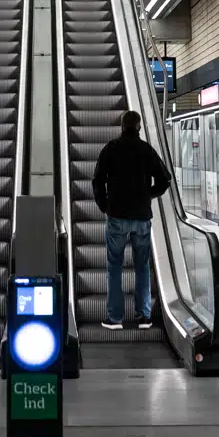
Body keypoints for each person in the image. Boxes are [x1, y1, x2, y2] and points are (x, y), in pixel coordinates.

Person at [91, 111, 171, 330]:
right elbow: (165, 180)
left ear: (121, 127)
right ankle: (143, 316)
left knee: (114, 266)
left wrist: (104, 205)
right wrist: (149, 195)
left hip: (116, 215)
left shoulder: (111, 148)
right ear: (139, 127)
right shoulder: (146, 150)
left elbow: (97, 180)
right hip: (142, 217)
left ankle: (115, 318)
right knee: (142, 267)